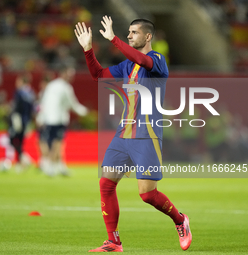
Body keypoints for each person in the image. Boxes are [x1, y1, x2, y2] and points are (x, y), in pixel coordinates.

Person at [74, 16, 192, 252]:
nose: (129, 35)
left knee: (147, 195)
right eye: (127, 32)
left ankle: (180, 220)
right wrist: (88, 49)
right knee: (106, 184)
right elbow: (98, 75)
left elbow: (141, 59)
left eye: (134, 32)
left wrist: (113, 39)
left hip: (146, 136)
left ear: (148, 37)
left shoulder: (158, 60)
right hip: (123, 134)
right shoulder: (127, 66)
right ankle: (113, 241)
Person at [37, 65, 88, 176]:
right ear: (63, 73)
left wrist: (41, 116)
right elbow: (72, 104)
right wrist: (84, 112)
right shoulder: (66, 87)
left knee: (54, 142)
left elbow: (44, 102)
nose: (71, 77)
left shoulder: (52, 85)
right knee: (57, 143)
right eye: (69, 74)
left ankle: (58, 165)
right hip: (58, 119)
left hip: (49, 119)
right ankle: (51, 166)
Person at [8, 72, 35, 172]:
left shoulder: (19, 92)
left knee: (14, 140)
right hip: (26, 120)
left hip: (18, 119)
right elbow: (32, 108)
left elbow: (16, 106)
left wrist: (14, 117)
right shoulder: (31, 92)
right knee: (20, 141)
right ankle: (23, 159)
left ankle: (23, 159)